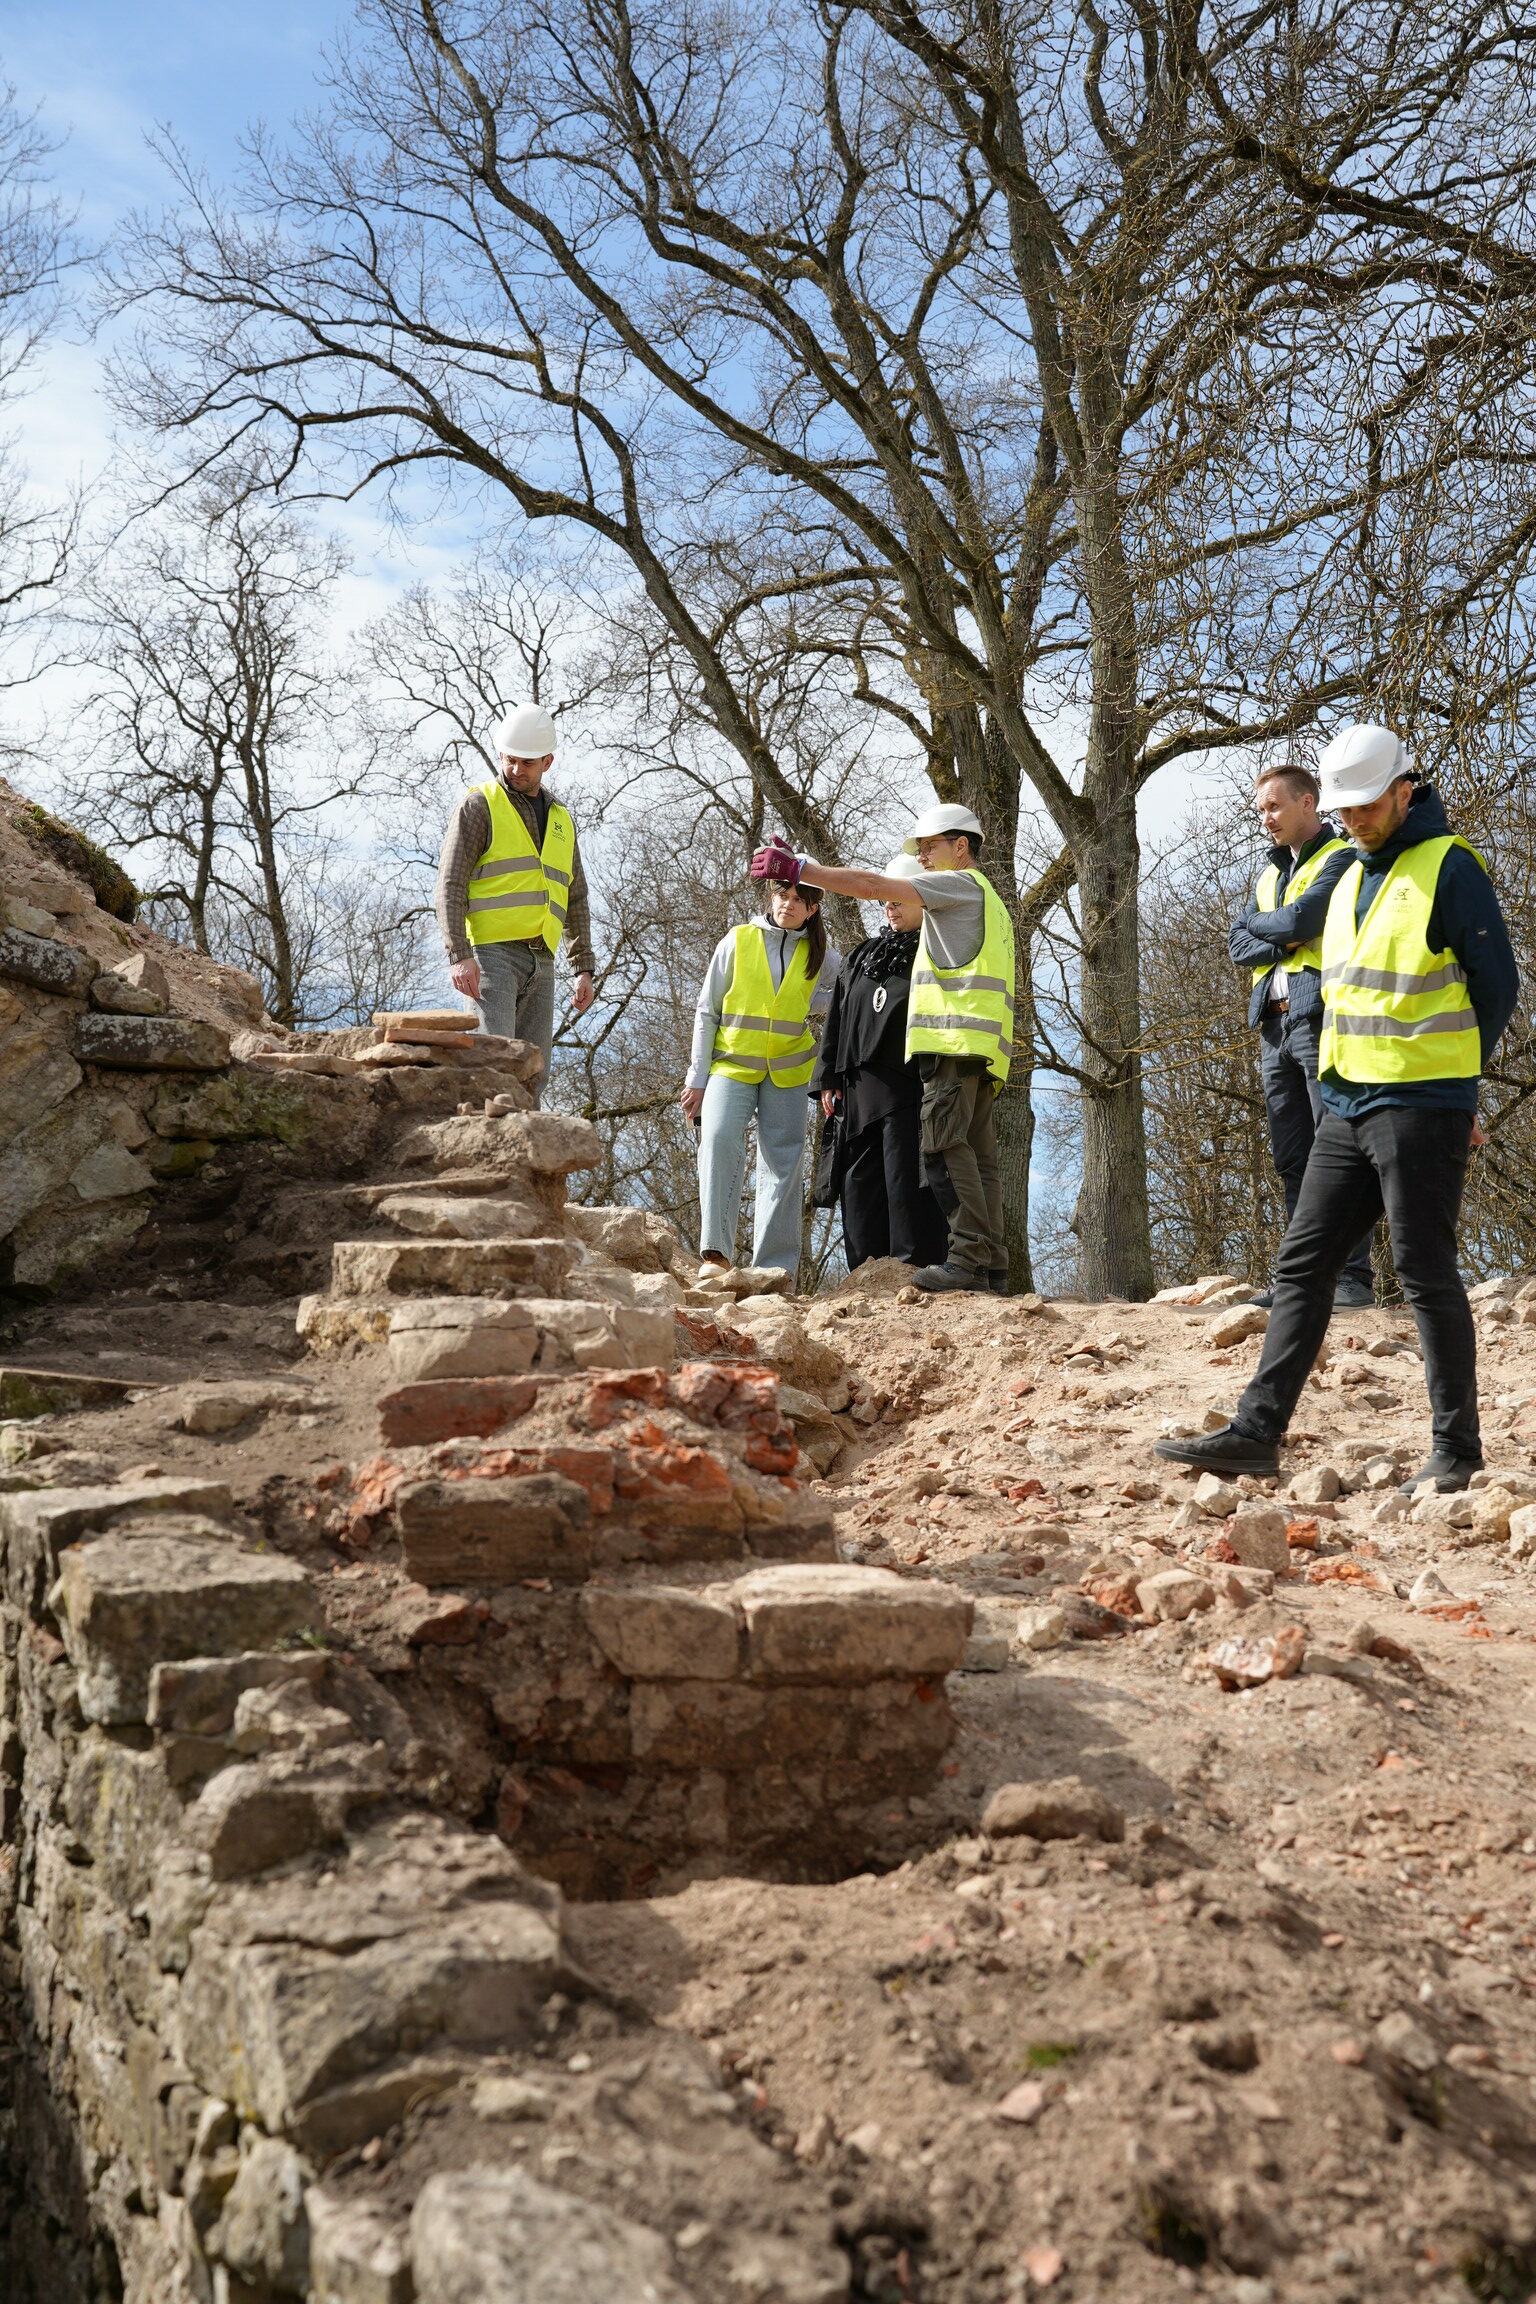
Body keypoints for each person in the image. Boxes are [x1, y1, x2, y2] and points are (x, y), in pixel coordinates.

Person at [1157, 724, 1519, 1495]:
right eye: (1344, 809)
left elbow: (1497, 988)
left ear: (1404, 791)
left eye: (1366, 807)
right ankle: (1256, 1434)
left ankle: (1457, 1453)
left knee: (1424, 1270)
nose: (1354, 820)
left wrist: (1459, 1088)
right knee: (1302, 1265)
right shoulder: (1348, 874)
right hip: (1347, 1104)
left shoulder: (1450, 866)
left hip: (1422, 1102)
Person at [751, 801, 1015, 1294]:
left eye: (929, 847)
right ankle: (992, 1267)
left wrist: (801, 870)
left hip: (952, 1041)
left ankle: (967, 1260)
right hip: (983, 1049)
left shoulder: (958, 885)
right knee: (980, 1160)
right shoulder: (992, 901)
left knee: (944, 1151)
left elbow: (872, 886)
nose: (923, 857)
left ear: (961, 846)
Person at [1228, 763, 1376, 1309]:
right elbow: (1236, 944)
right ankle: (1303, 1280)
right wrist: (1281, 932)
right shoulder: (1268, 875)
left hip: (1320, 1018)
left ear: (1308, 803)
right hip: (1272, 1026)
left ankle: (1352, 1280)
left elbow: (1302, 923)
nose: (1265, 818)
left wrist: (1276, 928)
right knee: (1292, 1157)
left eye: (1274, 806)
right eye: (1261, 809)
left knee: (1337, 1150)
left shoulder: (1340, 857)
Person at [434, 702, 596, 1103]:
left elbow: (575, 896)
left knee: (532, 1075)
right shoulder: (480, 806)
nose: (515, 770)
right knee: (491, 1064)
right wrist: (459, 954)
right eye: (509, 759)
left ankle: (524, 1143)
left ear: (547, 762)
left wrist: (583, 968)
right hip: (492, 957)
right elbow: (450, 883)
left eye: (526, 763)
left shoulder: (561, 820)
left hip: (543, 961)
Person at [680, 877, 838, 1276]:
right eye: (782, 896)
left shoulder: (821, 952)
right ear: (771, 897)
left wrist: (814, 1002)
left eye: (798, 900)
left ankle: (774, 1269)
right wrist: (697, 1078)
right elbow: (707, 1010)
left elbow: (835, 994)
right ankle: (715, 1255)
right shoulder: (738, 939)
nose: (788, 904)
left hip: (789, 1071)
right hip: (730, 1066)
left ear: (813, 909)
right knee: (717, 1139)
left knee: (784, 1164)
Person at [810, 853, 949, 1272]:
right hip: (856, 1089)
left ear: (921, 899)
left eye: (898, 899)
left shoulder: (938, 952)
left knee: (907, 1182)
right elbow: (835, 1019)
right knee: (859, 1183)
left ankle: (913, 1272)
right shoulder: (860, 956)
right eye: (886, 901)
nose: (890, 907)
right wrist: (828, 1076)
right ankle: (865, 1273)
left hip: (911, 1086)